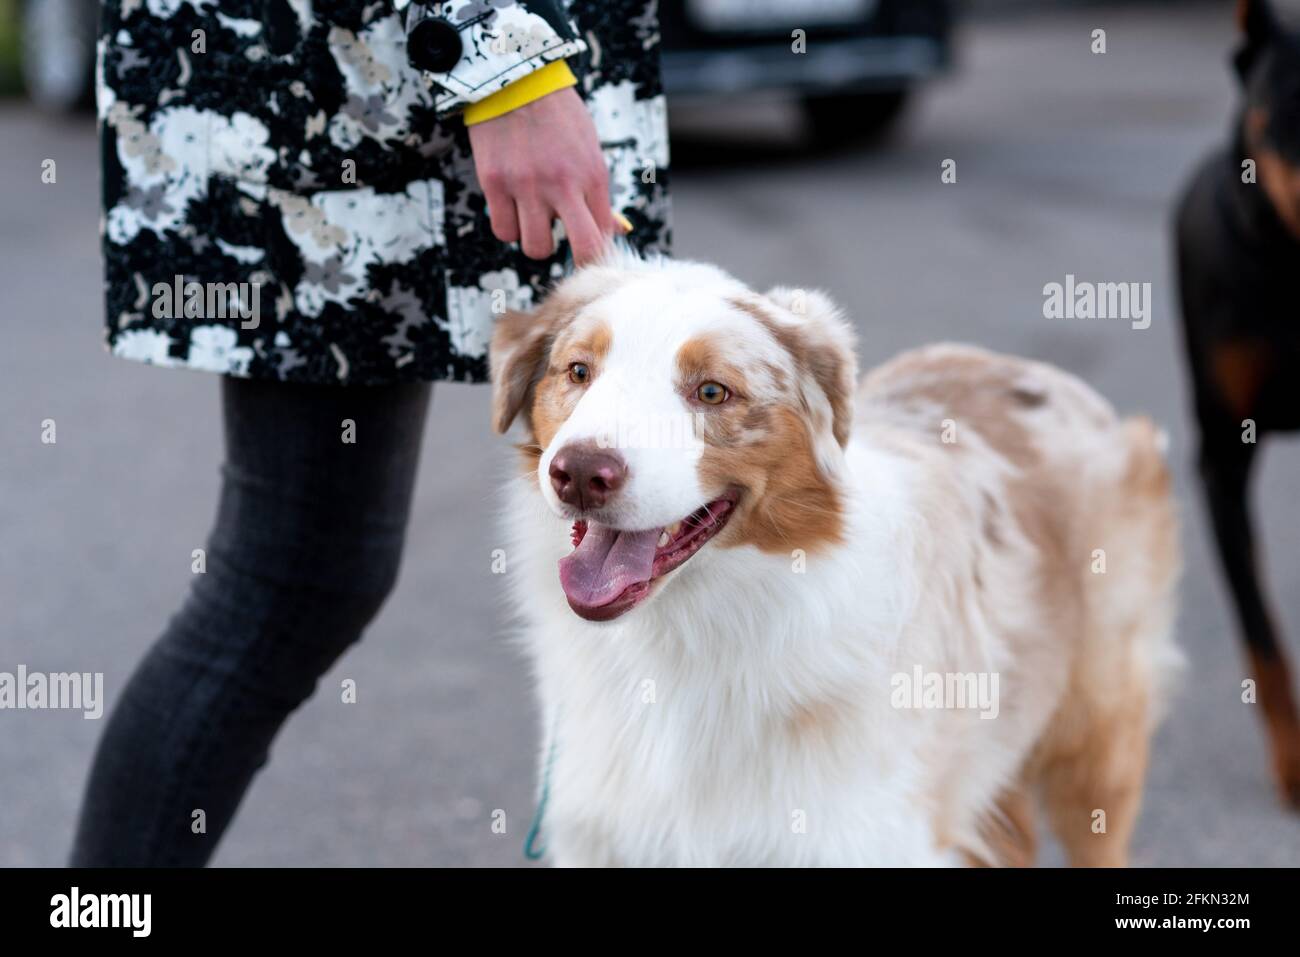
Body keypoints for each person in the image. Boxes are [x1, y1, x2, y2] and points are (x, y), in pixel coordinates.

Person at [71, 0, 670, 866]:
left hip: (413, 78)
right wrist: (498, 52)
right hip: (352, 81)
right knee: (290, 579)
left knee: (310, 575)